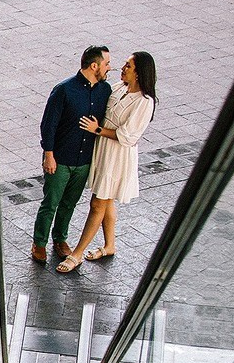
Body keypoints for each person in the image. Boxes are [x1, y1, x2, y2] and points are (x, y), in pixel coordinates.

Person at [58, 51, 158, 273]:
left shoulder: (144, 102)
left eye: (128, 66)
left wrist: (98, 130)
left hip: (117, 155)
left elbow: (128, 136)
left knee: (98, 203)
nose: (122, 68)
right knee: (107, 200)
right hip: (103, 149)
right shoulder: (119, 87)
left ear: (139, 73)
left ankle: (77, 254)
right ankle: (109, 245)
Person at [34, 46, 114, 264]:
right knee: (50, 203)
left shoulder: (105, 90)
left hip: (84, 160)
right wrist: (49, 155)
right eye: (107, 63)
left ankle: (60, 239)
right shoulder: (64, 90)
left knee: (69, 203)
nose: (109, 68)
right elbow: (48, 125)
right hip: (60, 159)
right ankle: (39, 243)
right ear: (94, 66)